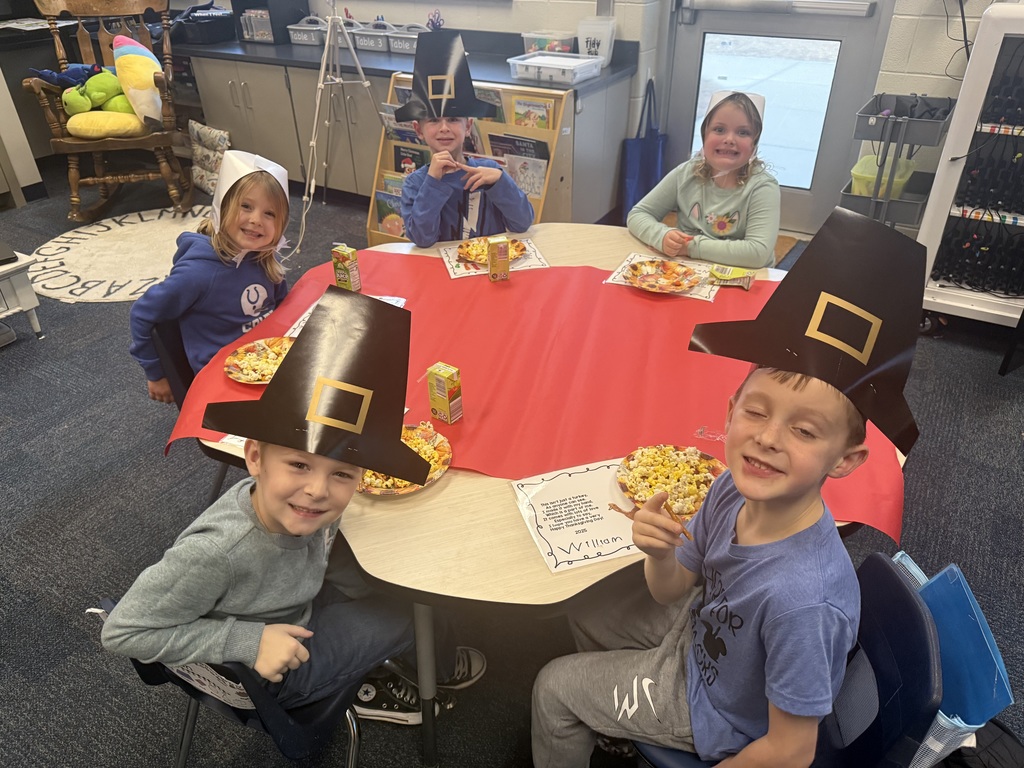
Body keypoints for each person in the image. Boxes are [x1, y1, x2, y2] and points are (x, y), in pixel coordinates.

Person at [532, 207, 929, 766]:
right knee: (582, 610)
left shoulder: (802, 602)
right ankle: (620, 726)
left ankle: (616, 718)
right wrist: (660, 554)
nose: (767, 439)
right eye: (756, 412)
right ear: (729, 410)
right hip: (702, 638)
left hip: (720, 714)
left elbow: (791, 749)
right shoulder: (731, 490)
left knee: (553, 688)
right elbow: (673, 591)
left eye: (804, 430)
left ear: (846, 460)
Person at [104, 288, 486, 723]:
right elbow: (123, 630)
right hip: (279, 663)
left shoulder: (295, 505)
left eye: (342, 473)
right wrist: (248, 642)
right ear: (254, 457)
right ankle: (402, 677)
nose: (318, 490)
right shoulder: (216, 553)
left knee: (402, 572)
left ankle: (405, 648)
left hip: (297, 594)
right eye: (299, 464)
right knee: (416, 607)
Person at [129, 151, 291, 405]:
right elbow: (142, 313)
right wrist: (156, 374)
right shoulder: (197, 274)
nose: (256, 220)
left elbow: (284, 308)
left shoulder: (265, 259)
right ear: (223, 208)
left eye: (269, 214)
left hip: (267, 362)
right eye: (246, 206)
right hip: (222, 380)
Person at [396, 29, 534, 247]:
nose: (444, 128)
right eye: (433, 120)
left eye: (453, 119)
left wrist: (501, 181)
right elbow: (423, 239)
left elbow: (522, 223)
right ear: (418, 130)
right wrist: (432, 182)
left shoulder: (489, 172)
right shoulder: (416, 183)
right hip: (439, 272)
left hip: (487, 269)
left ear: (468, 126)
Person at [627, 91, 780, 269]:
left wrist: (691, 247)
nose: (729, 139)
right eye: (719, 129)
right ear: (704, 135)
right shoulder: (686, 174)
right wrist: (662, 236)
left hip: (744, 279)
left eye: (743, 132)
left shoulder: (762, 188)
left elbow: (757, 253)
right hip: (688, 272)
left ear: (754, 143)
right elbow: (638, 214)